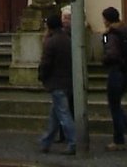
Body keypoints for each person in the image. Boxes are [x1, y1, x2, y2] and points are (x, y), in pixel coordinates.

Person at [101, 7, 127, 151]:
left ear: (107, 19)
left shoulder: (112, 34)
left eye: (104, 18)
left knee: (114, 106)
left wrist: (104, 60)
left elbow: (112, 54)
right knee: (116, 104)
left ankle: (119, 140)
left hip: (117, 71)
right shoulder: (126, 30)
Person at [36, 13, 76, 154]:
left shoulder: (51, 42)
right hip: (67, 80)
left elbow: (46, 63)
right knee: (55, 114)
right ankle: (46, 142)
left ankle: (73, 142)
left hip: (57, 82)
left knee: (63, 114)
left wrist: (41, 76)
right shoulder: (67, 38)